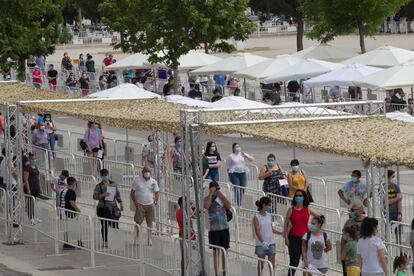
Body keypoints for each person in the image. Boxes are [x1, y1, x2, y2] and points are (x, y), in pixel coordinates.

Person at [284, 189, 318, 276]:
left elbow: (319, 217)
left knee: (306, 261)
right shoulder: (291, 210)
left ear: (304, 197)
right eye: (296, 195)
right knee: (294, 261)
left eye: (300, 196)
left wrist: (313, 228)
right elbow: (286, 223)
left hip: (305, 238)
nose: (298, 197)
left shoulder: (307, 209)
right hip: (293, 237)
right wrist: (286, 238)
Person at [203, 181, 231, 276]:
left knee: (224, 250)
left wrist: (221, 195)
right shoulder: (207, 198)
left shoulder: (221, 197)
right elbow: (206, 206)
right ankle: (216, 272)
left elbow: (229, 206)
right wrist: (211, 193)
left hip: (224, 227)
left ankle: (224, 271)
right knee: (216, 252)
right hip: (214, 229)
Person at [253, 197, 282, 276]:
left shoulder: (269, 215)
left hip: (271, 242)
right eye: (268, 205)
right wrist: (262, 241)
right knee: (261, 264)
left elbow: (271, 229)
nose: (270, 207)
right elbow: (257, 231)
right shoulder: (256, 217)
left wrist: (281, 233)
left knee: (271, 264)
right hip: (261, 243)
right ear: (263, 205)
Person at [93, 169, 123, 247]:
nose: (105, 177)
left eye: (105, 175)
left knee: (115, 224)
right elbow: (95, 196)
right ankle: (105, 241)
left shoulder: (113, 184)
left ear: (108, 174)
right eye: (103, 175)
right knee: (105, 225)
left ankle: (115, 240)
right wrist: (103, 195)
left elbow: (117, 194)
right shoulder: (99, 186)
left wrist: (121, 203)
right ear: (101, 176)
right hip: (103, 207)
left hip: (113, 207)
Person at [131, 166, 160, 245]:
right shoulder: (137, 181)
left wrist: (155, 201)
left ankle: (149, 238)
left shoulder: (153, 182)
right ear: (142, 172)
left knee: (150, 222)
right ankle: (136, 238)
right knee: (138, 222)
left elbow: (157, 192)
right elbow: (132, 193)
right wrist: (135, 203)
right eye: (146, 171)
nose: (147, 173)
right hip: (140, 204)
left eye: (148, 171)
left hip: (150, 204)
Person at [340, 203, 366, 276]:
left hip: (363, 256)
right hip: (350, 260)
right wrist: (342, 254)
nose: (351, 212)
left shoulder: (366, 222)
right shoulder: (349, 222)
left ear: (361, 210)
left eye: (353, 210)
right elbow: (343, 238)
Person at [226, 142, 254, 207]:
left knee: (243, 187)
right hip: (234, 174)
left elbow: (252, 159)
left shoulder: (242, 154)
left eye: (238, 146)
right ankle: (239, 204)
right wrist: (229, 176)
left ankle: (240, 200)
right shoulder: (231, 156)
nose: (238, 148)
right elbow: (228, 166)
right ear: (233, 148)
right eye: (236, 147)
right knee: (237, 188)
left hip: (242, 173)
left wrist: (246, 156)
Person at [176, 196, 196, 276]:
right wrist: (191, 212)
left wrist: (193, 211)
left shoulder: (187, 211)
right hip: (184, 236)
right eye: (187, 203)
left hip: (191, 236)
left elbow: (195, 217)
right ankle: (183, 273)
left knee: (193, 255)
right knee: (185, 257)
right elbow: (186, 222)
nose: (189, 205)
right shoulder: (179, 213)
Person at [60, 177, 80, 250]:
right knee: (71, 227)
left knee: (66, 227)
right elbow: (71, 202)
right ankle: (68, 243)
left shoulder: (63, 191)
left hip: (62, 210)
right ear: (73, 183)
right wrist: (78, 210)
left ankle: (66, 242)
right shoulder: (71, 192)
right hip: (68, 212)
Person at [23, 153, 41, 222]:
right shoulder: (27, 168)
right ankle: (30, 218)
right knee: (30, 203)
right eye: (32, 159)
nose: (34, 160)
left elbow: (38, 177)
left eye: (35, 159)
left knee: (34, 202)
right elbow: (26, 179)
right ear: (29, 160)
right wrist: (28, 189)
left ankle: (35, 217)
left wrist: (39, 187)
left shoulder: (35, 166)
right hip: (30, 186)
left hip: (35, 186)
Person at [387, 170, 403, 246]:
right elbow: (386, 201)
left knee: (398, 233)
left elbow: (400, 201)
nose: (393, 178)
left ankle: (400, 250)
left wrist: (399, 213)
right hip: (387, 212)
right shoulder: (383, 187)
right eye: (393, 176)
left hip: (396, 212)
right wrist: (396, 199)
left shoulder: (396, 186)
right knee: (387, 232)